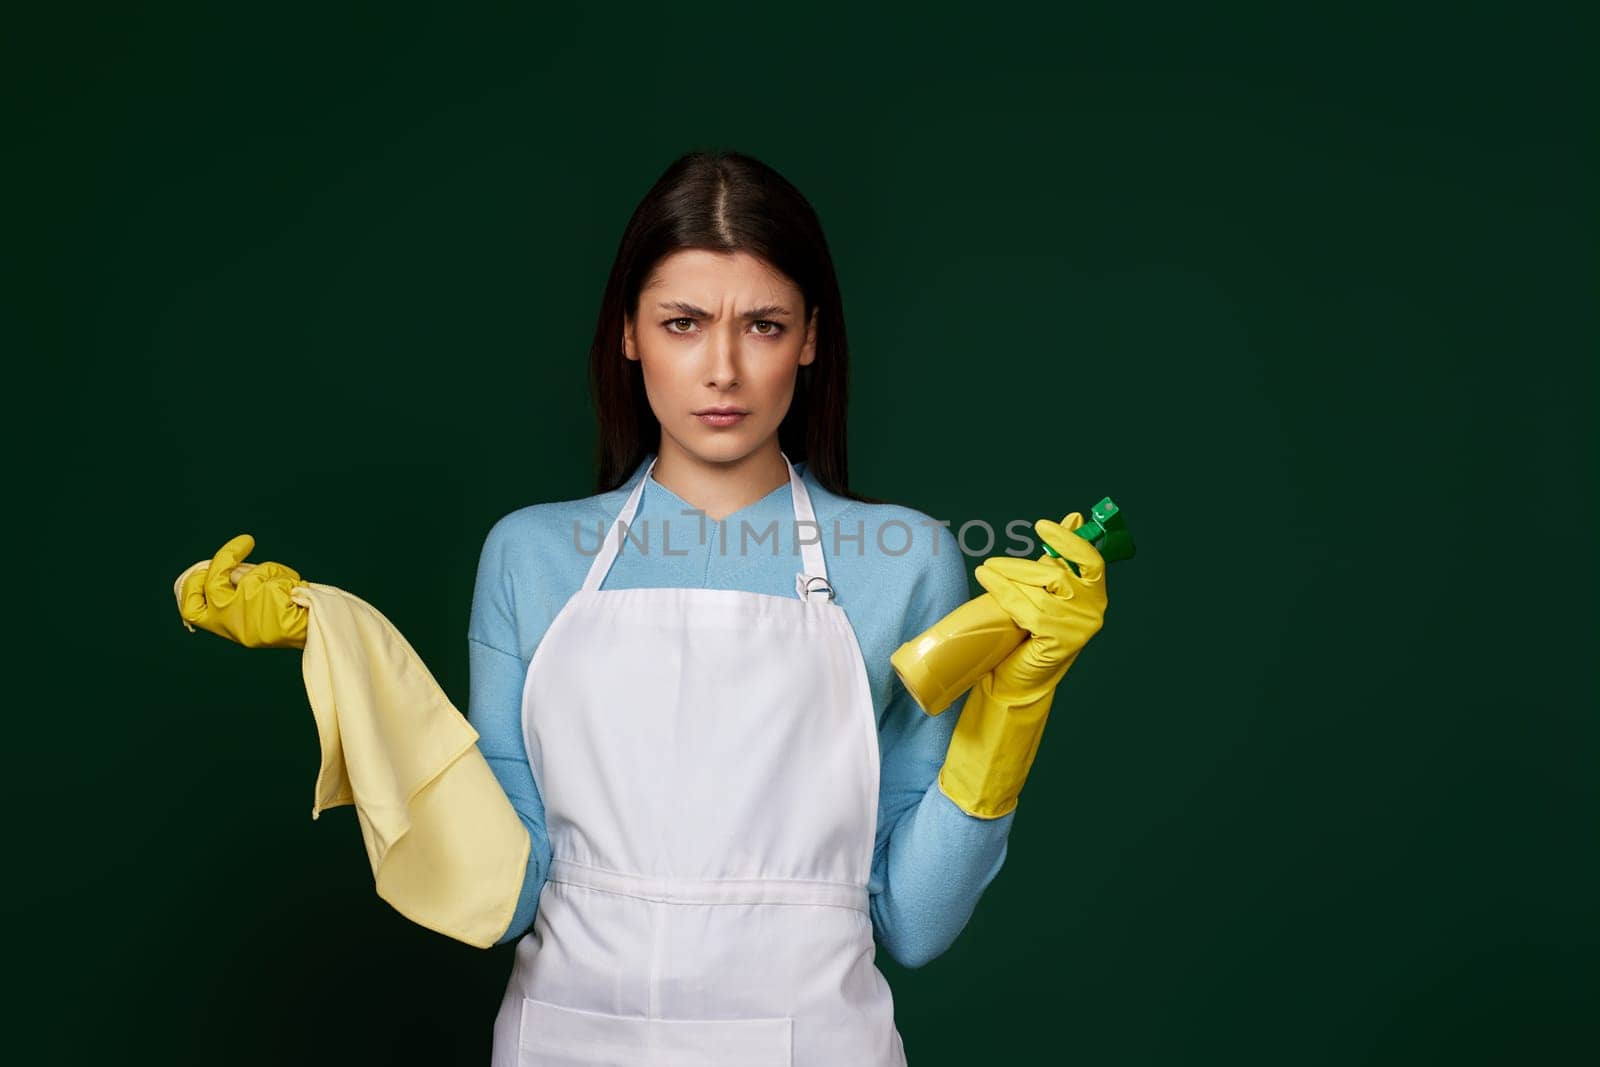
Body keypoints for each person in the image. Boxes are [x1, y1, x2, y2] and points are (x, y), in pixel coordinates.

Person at [176, 149, 1108, 1066]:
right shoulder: (530, 556)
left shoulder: (901, 562)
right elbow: (505, 890)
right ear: (629, 333)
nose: (723, 369)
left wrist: (1013, 712)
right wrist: (334, 635)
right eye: (683, 322)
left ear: (812, 338)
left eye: (766, 326)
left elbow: (917, 921)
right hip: (565, 1042)